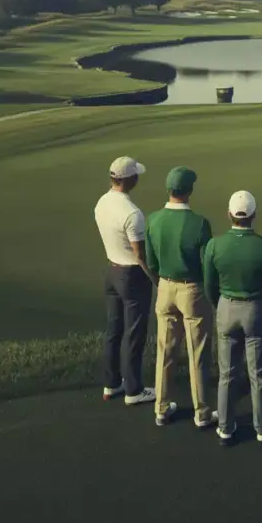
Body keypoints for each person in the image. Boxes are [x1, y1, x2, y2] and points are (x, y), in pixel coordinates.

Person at [203, 190, 262, 446]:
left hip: (226, 307)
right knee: (258, 374)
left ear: (229, 215)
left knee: (227, 373)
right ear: (253, 215)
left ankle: (225, 428)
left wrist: (220, 305)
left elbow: (209, 285)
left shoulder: (214, 245)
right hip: (255, 309)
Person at [145, 166, 216, 428]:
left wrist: (162, 283)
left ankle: (161, 408)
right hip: (192, 290)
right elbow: (206, 265)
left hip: (164, 288)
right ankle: (202, 412)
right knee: (198, 352)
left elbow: (151, 262)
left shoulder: (152, 220)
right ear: (189, 191)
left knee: (165, 349)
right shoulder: (199, 224)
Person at [94, 156, 156, 406]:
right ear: (130, 179)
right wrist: (155, 278)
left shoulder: (101, 202)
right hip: (131, 275)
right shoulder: (133, 214)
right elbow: (139, 254)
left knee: (114, 330)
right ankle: (133, 390)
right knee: (134, 333)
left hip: (111, 271)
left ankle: (112, 383)